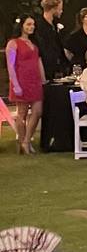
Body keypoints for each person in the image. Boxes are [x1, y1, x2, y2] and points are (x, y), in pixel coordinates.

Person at [6, 15, 45, 154]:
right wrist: (15, 83)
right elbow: (10, 65)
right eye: (28, 24)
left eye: (33, 24)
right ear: (21, 25)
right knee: (21, 113)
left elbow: (38, 62)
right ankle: (23, 141)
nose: (31, 27)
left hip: (35, 80)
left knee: (37, 111)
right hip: (21, 80)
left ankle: (27, 140)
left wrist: (43, 79)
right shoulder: (13, 43)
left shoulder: (34, 44)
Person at [34, 0, 70, 78]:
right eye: (60, 9)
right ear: (53, 9)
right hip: (46, 68)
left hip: (58, 68)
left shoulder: (55, 25)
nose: (61, 11)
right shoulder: (39, 27)